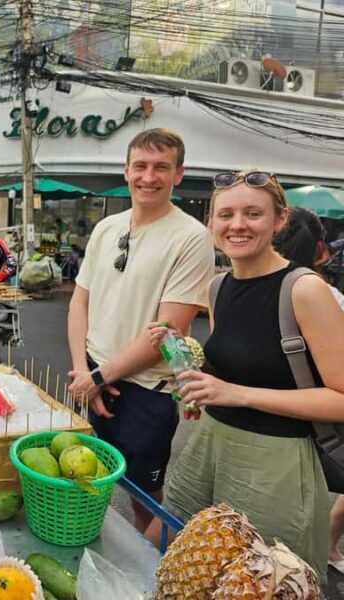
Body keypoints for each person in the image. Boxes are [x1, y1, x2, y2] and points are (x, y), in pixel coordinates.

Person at [144, 171, 344, 580]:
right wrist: (187, 366)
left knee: (254, 582)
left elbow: (340, 397)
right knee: (162, 548)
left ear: (279, 220)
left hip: (276, 462)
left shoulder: (303, 289)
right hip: (210, 447)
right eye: (226, 214)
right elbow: (230, 368)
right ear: (211, 223)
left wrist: (236, 393)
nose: (237, 225)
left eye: (253, 213)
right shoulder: (218, 287)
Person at [67, 128, 215, 533]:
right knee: (85, 478)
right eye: (141, 167)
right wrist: (85, 371)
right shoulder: (106, 228)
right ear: (126, 171)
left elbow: (170, 333)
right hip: (93, 374)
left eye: (161, 168)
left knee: (142, 497)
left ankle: (148, 573)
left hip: (145, 390)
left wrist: (98, 378)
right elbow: (80, 301)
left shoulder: (191, 237)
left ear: (178, 174)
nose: (149, 177)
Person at [273, 206, 344, 574]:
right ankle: (327, 545)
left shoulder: (251, 290)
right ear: (321, 249)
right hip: (320, 423)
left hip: (268, 427)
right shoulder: (326, 296)